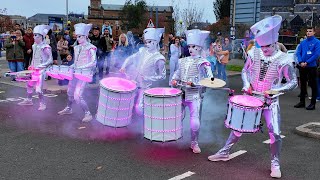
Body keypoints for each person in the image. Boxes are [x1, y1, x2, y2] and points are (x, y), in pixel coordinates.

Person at [208, 15, 297, 178]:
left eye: (268, 46)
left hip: (270, 102)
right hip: (252, 98)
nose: (264, 50)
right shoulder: (254, 52)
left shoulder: (284, 59)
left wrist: (276, 91)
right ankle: (224, 152)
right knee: (237, 127)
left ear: (275, 42)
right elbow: (245, 71)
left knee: (275, 133)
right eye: (262, 46)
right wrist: (246, 84)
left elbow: (293, 83)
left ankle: (275, 162)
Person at [171, 29, 213, 154]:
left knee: (194, 122)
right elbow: (177, 74)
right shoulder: (183, 60)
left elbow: (210, 79)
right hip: (181, 94)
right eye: (189, 46)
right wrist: (174, 80)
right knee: (176, 117)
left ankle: (194, 142)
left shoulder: (204, 62)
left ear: (199, 47)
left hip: (194, 95)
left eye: (193, 46)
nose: (191, 49)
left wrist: (195, 84)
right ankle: (176, 138)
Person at [120, 28, 166, 115]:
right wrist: (123, 66)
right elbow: (131, 58)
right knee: (126, 103)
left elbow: (163, 76)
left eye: (149, 42)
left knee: (139, 108)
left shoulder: (159, 58)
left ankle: (147, 122)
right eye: (146, 41)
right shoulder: (142, 51)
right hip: (135, 83)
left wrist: (147, 78)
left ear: (155, 42)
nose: (147, 44)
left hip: (147, 87)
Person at [58, 23, 97, 122]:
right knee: (70, 92)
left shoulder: (91, 47)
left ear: (86, 36)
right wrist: (66, 68)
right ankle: (69, 108)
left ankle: (88, 114)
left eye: (80, 36)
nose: (78, 38)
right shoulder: (76, 48)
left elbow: (94, 62)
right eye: (77, 36)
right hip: (75, 73)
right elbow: (76, 62)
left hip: (84, 74)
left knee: (77, 95)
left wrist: (81, 68)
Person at [18, 25, 53, 110]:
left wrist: (41, 66)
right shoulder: (34, 46)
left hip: (41, 71)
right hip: (33, 69)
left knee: (38, 89)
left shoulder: (46, 47)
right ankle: (29, 100)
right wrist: (31, 64)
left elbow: (50, 60)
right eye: (34, 35)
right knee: (29, 85)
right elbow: (34, 57)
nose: (34, 37)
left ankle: (42, 103)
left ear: (41, 36)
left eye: (36, 35)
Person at [294, 26, 320, 110]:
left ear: (314, 32)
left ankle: (312, 103)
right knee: (303, 84)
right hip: (302, 66)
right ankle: (302, 101)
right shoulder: (303, 42)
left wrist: (307, 62)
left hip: (311, 66)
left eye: (310, 31)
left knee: (313, 84)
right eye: (307, 31)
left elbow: (316, 54)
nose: (308, 32)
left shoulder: (317, 42)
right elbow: (298, 52)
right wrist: (301, 62)